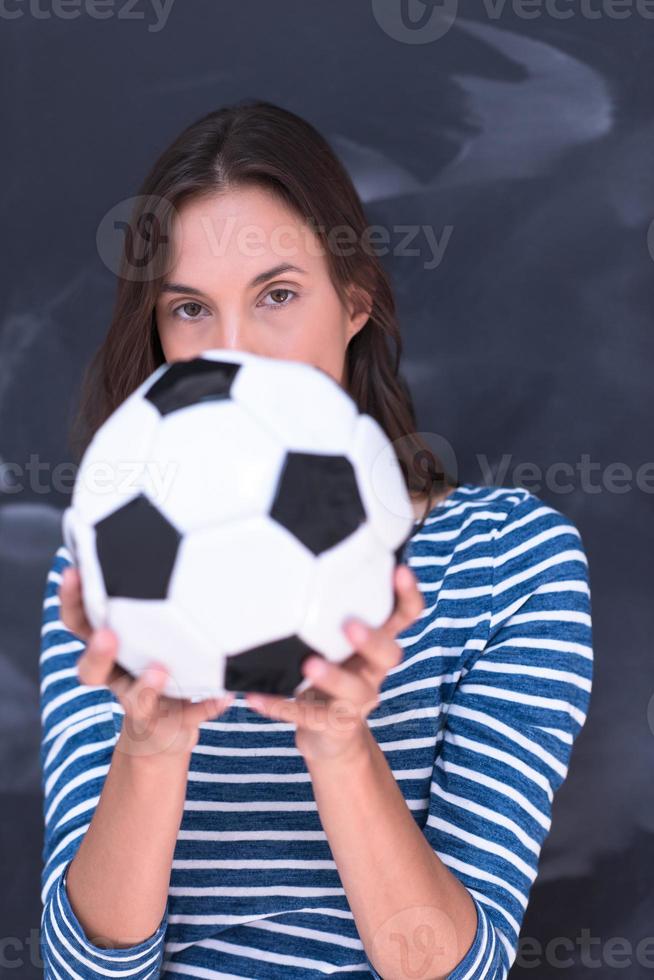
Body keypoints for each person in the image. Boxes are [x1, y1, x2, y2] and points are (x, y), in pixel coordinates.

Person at [38, 100, 593, 979]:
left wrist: (339, 746)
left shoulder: (509, 561)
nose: (233, 351)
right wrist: (149, 751)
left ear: (355, 302)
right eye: (189, 309)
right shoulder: (107, 562)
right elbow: (85, 970)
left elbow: (459, 969)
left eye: (278, 296)